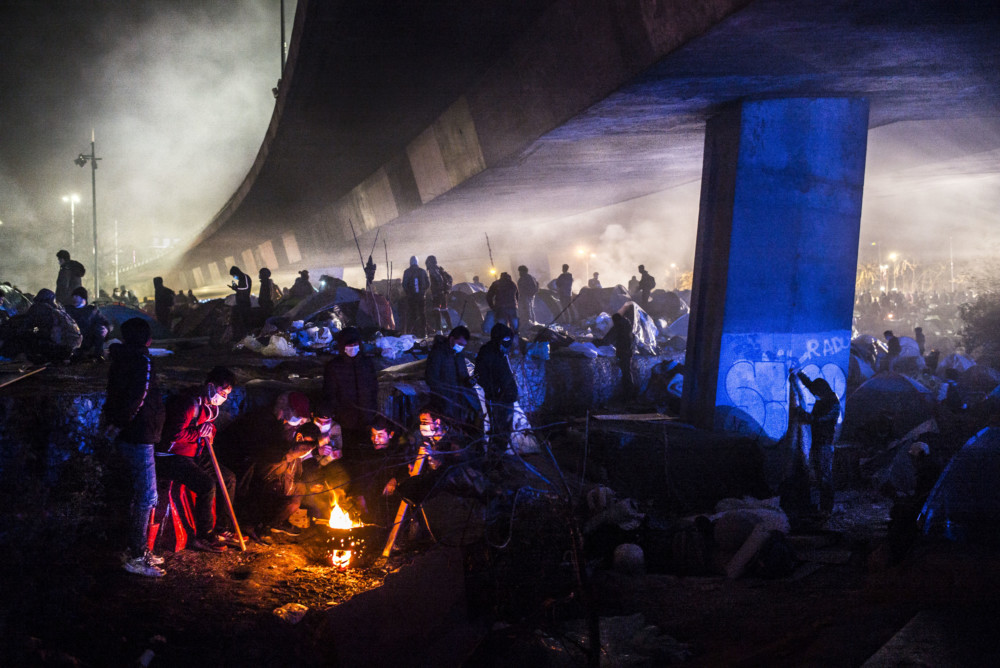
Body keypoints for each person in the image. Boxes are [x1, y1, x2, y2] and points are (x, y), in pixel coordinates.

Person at [102, 318, 167, 577]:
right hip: (140, 434)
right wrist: (121, 423)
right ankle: (137, 555)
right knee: (148, 496)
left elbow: (113, 394)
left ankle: (136, 549)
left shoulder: (120, 358)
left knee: (136, 493)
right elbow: (138, 398)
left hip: (129, 433)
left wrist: (114, 424)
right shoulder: (142, 360)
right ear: (147, 339)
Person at [157, 366, 238, 552]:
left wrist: (209, 433)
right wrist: (199, 433)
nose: (223, 396)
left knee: (228, 478)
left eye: (227, 393)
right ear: (211, 386)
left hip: (195, 453)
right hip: (171, 456)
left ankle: (222, 529)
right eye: (221, 391)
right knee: (206, 485)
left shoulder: (210, 406)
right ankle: (204, 535)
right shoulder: (187, 404)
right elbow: (174, 434)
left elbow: (209, 430)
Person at [322, 327, 379, 455]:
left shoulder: (367, 364)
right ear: (342, 346)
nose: (352, 348)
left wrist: (373, 409)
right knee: (348, 452)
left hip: (367, 418)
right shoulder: (334, 367)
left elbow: (374, 388)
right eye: (349, 345)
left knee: (367, 452)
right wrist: (337, 413)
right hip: (345, 421)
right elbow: (330, 392)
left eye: (355, 344)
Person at [796, 372, 840, 515]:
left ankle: (826, 508)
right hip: (819, 442)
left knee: (824, 476)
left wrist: (803, 415)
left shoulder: (833, 404)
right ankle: (823, 507)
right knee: (820, 475)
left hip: (824, 444)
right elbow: (810, 385)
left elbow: (819, 419)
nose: (814, 395)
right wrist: (799, 374)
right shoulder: (825, 398)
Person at [475, 323, 519, 451]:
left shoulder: (502, 352)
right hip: (497, 399)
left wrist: (513, 390)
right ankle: (495, 460)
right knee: (498, 429)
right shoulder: (487, 353)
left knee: (506, 430)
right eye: (505, 340)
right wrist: (495, 391)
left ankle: (501, 458)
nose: (508, 343)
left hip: (508, 397)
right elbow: (480, 375)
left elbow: (507, 373)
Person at [425, 326, 478, 430]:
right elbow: (431, 378)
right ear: (452, 339)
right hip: (444, 402)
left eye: (464, 345)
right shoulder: (438, 353)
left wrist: (469, 381)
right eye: (460, 344)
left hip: (458, 401)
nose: (461, 347)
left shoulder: (458, 355)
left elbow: (463, 375)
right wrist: (443, 396)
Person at [17, 289, 82, 364]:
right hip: (70, 347)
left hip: (53, 347)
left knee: (26, 335)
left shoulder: (38, 308)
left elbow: (26, 326)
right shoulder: (59, 308)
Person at [66, 286, 110, 361]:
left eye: (76, 296)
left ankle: (97, 354)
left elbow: (104, 322)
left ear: (83, 298)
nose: (74, 298)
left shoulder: (91, 310)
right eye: (73, 296)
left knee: (101, 329)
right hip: (71, 338)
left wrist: (106, 329)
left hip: (87, 338)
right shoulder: (68, 309)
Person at [598, 312, 635, 398]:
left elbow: (607, 340)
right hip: (629, 351)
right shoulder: (628, 325)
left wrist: (597, 342)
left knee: (626, 373)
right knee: (627, 372)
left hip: (623, 352)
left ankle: (629, 395)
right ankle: (630, 393)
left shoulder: (618, 326)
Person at [401, 256, 429, 336]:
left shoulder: (407, 272)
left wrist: (408, 293)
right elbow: (428, 283)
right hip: (421, 297)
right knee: (422, 314)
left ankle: (411, 333)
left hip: (411, 298)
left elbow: (404, 285)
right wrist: (423, 291)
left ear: (410, 262)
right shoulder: (423, 271)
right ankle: (424, 332)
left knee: (412, 314)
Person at [426, 255, 453, 333]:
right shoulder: (440, 269)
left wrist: (437, 290)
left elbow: (438, 279)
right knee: (444, 310)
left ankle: (439, 330)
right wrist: (446, 289)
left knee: (436, 311)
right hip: (443, 293)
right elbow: (450, 278)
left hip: (437, 294)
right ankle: (450, 328)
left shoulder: (432, 269)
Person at [229, 266, 252, 341]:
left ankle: (248, 335)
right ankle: (244, 335)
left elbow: (246, 288)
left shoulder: (245, 277)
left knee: (246, 319)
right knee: (242, 319)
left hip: (245, 302)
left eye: (233, 275)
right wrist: (236, 288)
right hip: (241, 302)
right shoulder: (241, 279)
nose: (234, 277)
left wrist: (236, 288)